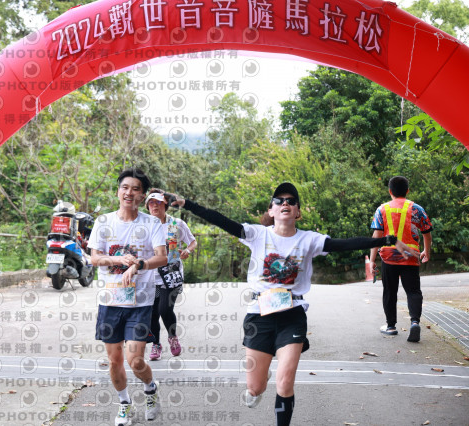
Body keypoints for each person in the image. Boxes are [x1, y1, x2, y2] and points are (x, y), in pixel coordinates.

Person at [165, 183, 418, 426]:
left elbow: (344, 243)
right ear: (271, 210)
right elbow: (221, 220)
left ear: (297, 212)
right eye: (279, 201)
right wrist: (188, 204)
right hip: (259, 315)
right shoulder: (257, 234)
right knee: (255, 387)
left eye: (291, 201)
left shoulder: (309, 240)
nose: (285, 203)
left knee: (285, 382)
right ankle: (258, 383)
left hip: (292, 315)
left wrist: (387, 239)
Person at [87, 168, 167, 426]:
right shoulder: (103, 222)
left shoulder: (151, 223)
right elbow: (95, 258)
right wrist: (118, 260)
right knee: (114, 360)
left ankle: (150, 388)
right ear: (118, 192)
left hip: (140, 303)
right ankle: (124, 403)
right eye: (125, 187)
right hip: (110, 301)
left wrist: (138, 265)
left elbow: (162, 257)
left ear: (142, 195)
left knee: (135, 360)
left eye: (135, 189)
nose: (129, 192)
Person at [369, 176, 433, 342]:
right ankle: (415, 322)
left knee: (390, 291)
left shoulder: (382, 209)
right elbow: (427, 233)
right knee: (413, 291)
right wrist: (426, 251)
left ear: (390, 191)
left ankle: (390, 326)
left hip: (388, 256)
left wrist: (372, 260)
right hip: (410, 256)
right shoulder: (416, 209)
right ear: (407, 191)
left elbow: (377, 236)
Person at [144, 189, 197, 360]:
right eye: (151, 203)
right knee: (152, 313)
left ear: (165, 204)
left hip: (171, 274)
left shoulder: (176, 224)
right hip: (150, 276)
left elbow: (192, 242)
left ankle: (172, 337)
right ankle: (156, 344)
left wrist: (187, 251)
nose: (155, 206)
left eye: (158, 202)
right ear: (147, 206)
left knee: (165, 309)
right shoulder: (144, 226)